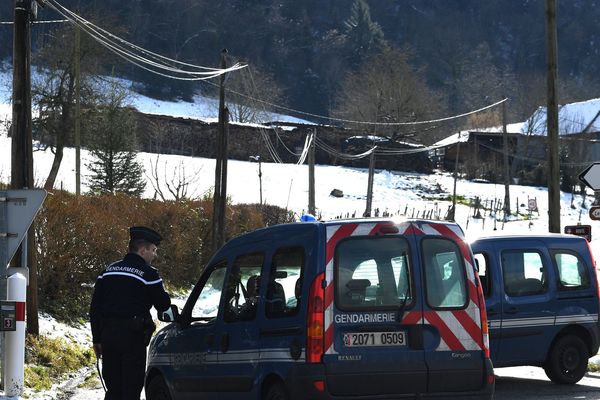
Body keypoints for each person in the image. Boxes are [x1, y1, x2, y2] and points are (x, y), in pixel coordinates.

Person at [90, 226, 171, 400]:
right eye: (153, 250)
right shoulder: (149, 274)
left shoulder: (108, 271)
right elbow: (163, 304)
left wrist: (96, 338)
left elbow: (95, 308)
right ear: (142, 250)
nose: (154, 255)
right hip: (132, 339)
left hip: (108, 337)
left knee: (113, 389)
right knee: (131, 389)